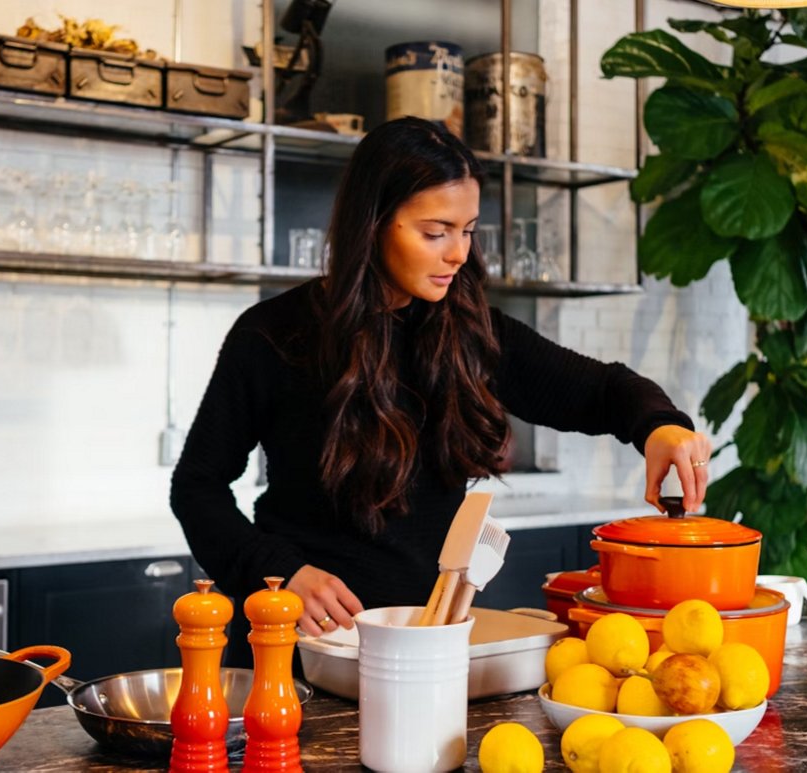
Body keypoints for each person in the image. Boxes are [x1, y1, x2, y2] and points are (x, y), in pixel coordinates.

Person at [170, 116, 711, 646]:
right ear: (373, 222)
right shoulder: (273, 335)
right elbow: (197, 487)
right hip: (296, 647)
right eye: (436, 232)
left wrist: (658, 426)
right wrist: (281, 574)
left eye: (468, 231)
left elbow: (602, 391)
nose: (458, 253)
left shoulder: (472, 333)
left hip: (425, 648)